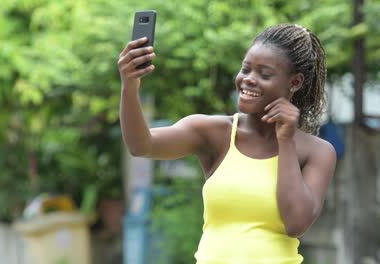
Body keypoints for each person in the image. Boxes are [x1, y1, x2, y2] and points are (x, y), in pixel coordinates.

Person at [117, 24, 336, 263]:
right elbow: (142, 145)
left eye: (264, 74)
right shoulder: (214, 133)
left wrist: (286, 141)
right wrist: (129, 86)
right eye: (246, 69)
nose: (248, 80)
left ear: (294, 82)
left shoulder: (317, 152)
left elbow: (295, 223)